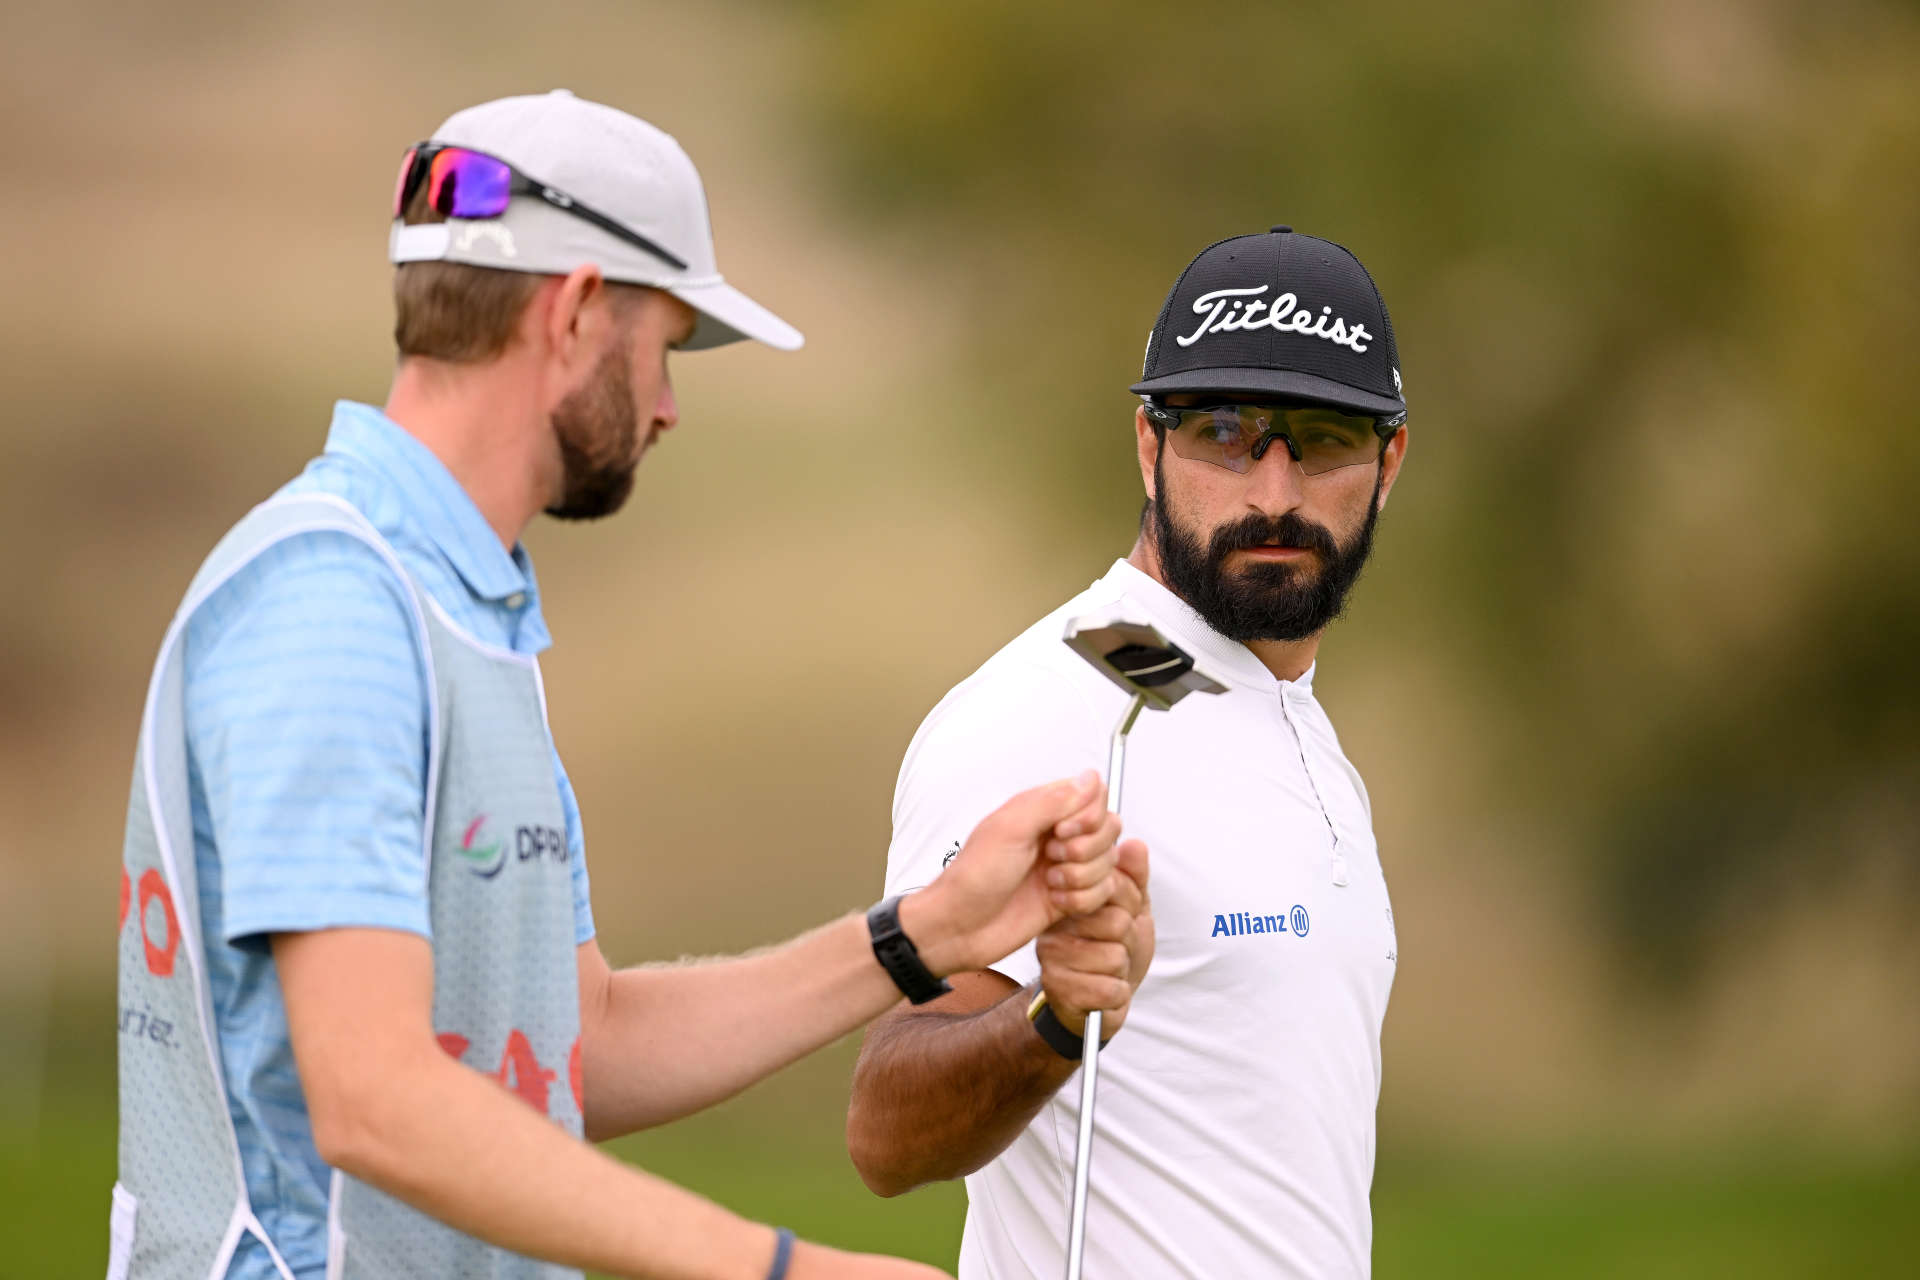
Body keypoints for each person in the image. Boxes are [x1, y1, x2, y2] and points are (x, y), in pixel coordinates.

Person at [109, 90, 1141, 1280]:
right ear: (580, 310)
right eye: (663, 348)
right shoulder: (334, 605)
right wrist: (783, 1269)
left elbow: (575, 1048)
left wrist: (926, 931)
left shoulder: (459, 608)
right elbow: (375, 1098)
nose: (666, 405)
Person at [847, 226, 1410, 1278]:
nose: (1274, 493)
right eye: (1225, 432)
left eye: (1324, 439)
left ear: (1389, 464)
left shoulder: (1301, 728)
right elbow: (886, 1125)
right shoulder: (1047, 712)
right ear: (1148, 448)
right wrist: (1052, 1019)